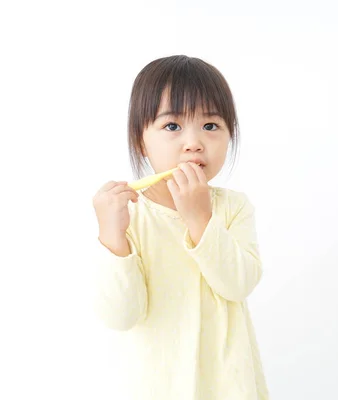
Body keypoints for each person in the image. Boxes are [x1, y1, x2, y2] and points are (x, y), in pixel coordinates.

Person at [91, 55, 269, 400]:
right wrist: (113, 238)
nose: (193, 142)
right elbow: (120, 315)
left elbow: (239, 284)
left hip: (228, 386)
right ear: (141, 141)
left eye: (211, 126)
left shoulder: (233, 208)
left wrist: (200, 218)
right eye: (172, 126)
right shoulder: (128, 213)